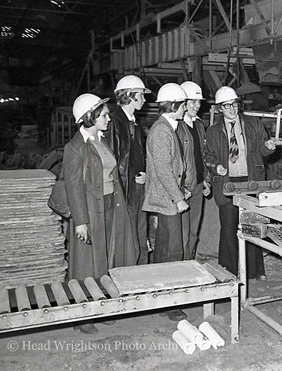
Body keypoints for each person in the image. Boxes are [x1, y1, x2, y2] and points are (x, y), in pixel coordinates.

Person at [63, 93, 139, 333]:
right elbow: (72, 186)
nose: (108, 118)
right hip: (89, 211)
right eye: (104, 115)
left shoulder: (100, 139)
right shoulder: (75, 148)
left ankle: (101, 304)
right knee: (85, 264)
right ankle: (82, 316)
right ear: (90, 117)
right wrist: (80, 222)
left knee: (106, 257)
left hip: (109, 204)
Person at [204, 86, 276, 280]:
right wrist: (216, 166)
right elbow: (208, 156)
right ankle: (230, 270)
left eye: (234, 104)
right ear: (220, 108)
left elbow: (263, 148)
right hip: (227, 185)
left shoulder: (253, 124)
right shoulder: (213, 131)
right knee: (228, 228)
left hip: (251, 182)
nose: (232, 109)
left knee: (252, 225)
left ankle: (255, 271)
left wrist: (268, 147)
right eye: (227, 106)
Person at [142, 83, 189, 321]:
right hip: (167, 200)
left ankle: (160, 298)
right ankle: (169, 303)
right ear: (173, 106)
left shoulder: (167, 128)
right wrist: (178, 198)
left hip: (168, 197)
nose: (185, 109)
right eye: (182, 105)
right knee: (172, 250)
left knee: (164, 249)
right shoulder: (162, 130)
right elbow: (162, 169)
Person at [107, 75, 151, 264]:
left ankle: (141, 271)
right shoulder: (115, 122)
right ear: (129, 95)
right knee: (131, 235)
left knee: (140, 233)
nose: (144, 99)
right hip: (127, 190)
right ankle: (131, 274)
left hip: (137, 187)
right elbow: (114, 159)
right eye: (140, 95)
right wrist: (130, 181)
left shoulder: (132, 122)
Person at [177, 81, 210, 260]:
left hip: (197, 184)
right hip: (184, 187)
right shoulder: (177, 127)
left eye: (199, 102)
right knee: (182, 232)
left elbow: (201, 155)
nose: (197, 106)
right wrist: (179, 188)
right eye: (192, 102)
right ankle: (180, 266)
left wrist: (205, 178)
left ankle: (189, 262)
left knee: (193, 232)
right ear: (183, 102)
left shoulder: (198, 125)